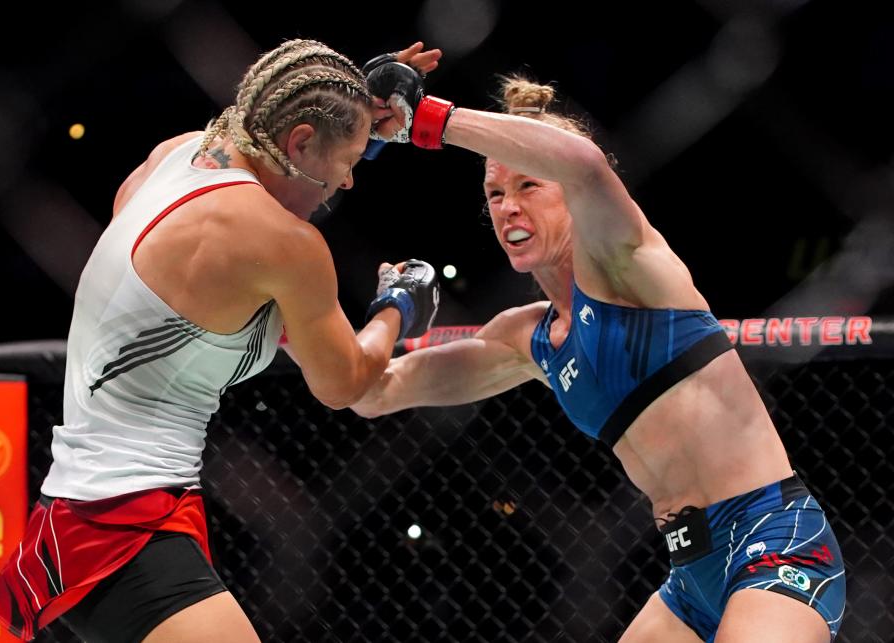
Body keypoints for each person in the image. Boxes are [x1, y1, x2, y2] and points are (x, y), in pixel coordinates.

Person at [352, 64, 846, 642]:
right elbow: (370, 391)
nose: (509, 206)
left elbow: (582, 164)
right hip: (689, 580)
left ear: (570, 198)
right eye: (495, 194)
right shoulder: (525, 337)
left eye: (529, 185)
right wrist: (398, 307)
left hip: (774, 541)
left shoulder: (627, 265)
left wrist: (428, 119)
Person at [0, 40, 442, 643]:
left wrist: (346, 109)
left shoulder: (174, 157)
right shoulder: (283, 245)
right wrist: (398, 307)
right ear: (300, 143)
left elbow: (274, 152)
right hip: (125, 527)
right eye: (349, 159)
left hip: (101, 504)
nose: (349, 181)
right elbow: (347, 384)